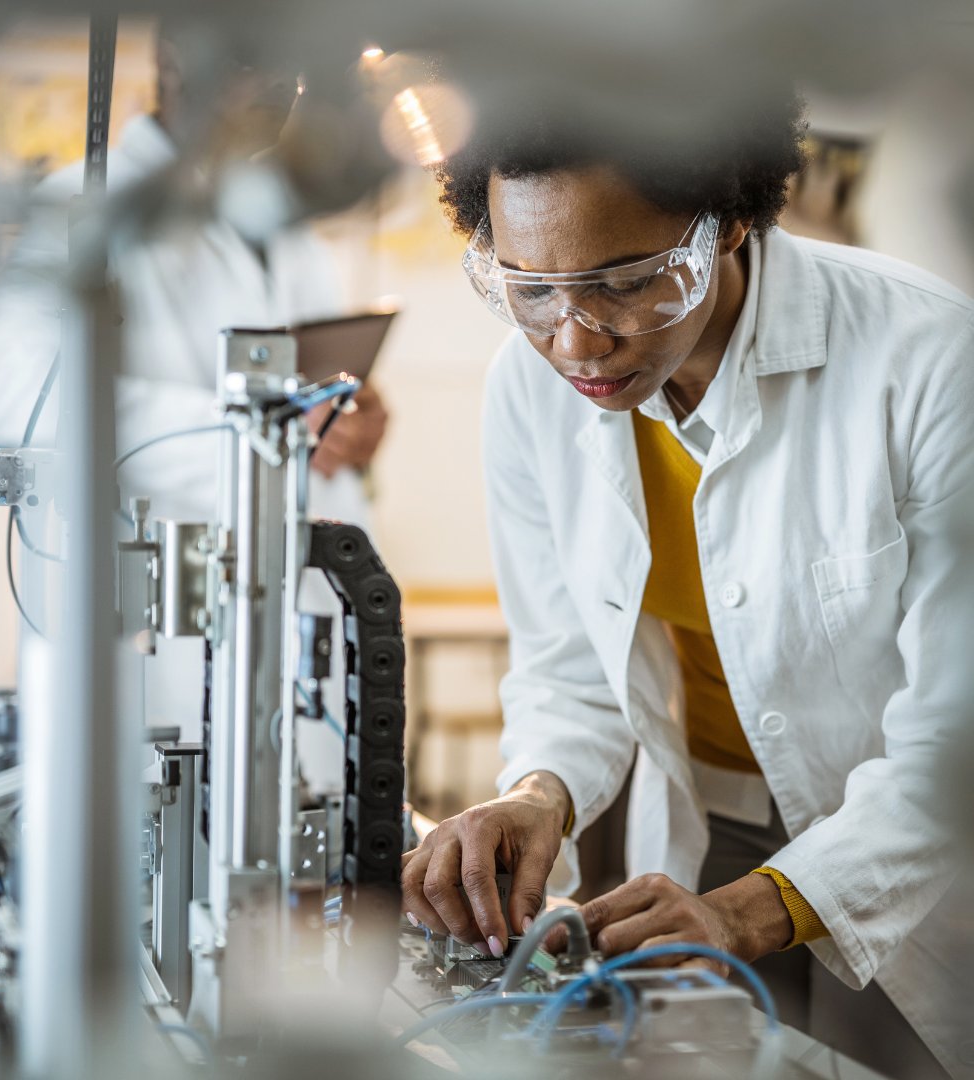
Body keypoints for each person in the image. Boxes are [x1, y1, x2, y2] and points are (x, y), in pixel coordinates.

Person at [401, 95, 974, 1079]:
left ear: (730, 222)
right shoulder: (527, 389)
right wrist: (542, 794)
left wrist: (743, 914)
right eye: (530, 287)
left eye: (627, 284)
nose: (577, 343)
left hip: (927, 864)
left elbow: (953, 744)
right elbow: (569, 672)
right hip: (712, 830)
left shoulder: (930, 361)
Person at [0, 26, 388, 787]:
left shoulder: (281, 221)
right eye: (256, 63)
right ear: (174, 56)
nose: (278, 94)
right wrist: (261, 433)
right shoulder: (83, 206)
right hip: (163, 641)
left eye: (292, 75)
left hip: (310, 629)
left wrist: (353, 422)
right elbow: (4, 395)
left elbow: (322, 390)